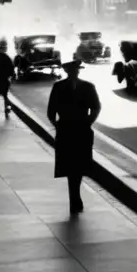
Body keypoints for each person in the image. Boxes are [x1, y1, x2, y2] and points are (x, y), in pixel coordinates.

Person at [46, 55, 101, 214]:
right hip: (67, 129)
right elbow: (51, 111)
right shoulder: (58, 87)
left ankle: (75, 196)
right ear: (67, 71)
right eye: (72, 70)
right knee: (70, 166)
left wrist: (88, 122)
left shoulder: (88, 87)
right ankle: (75, 196)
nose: (74, 72)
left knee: (80, 165)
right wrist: (58, 125)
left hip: (81, 129)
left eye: (75, 70)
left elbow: (96, 107)